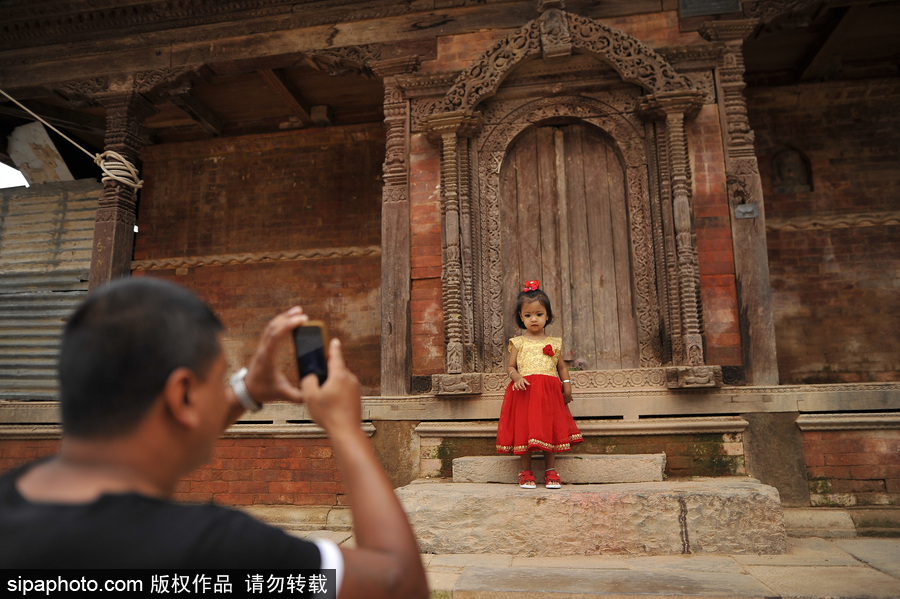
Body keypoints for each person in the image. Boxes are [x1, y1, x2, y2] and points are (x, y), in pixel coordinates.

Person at [0, 277, 428, 599]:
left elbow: (176, 423)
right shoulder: (217, 553)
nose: (225, 385)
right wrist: (345, 427)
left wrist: (248, 391)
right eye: (220, 377)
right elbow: (399, 582)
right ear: (182, 394)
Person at [496, 280, 583, 489]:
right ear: (521, 317)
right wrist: (516, 377)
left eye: (539, 314)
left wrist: (567, 387)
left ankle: (550, 470)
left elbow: (562, 368)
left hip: (549, 395)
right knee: (524, 430)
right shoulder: (519, 343)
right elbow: (510, 367)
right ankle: (525, 472)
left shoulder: (553, 343)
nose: (533, 319)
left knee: (548, 428)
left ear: (547, 316)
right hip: (525, 393)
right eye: (528, 315)